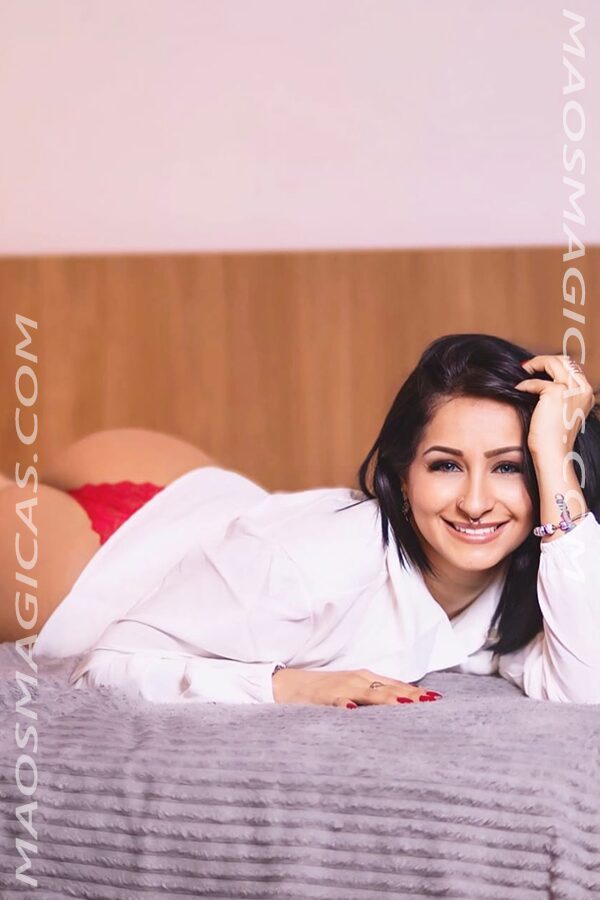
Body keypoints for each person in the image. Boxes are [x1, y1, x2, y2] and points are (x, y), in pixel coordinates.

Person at [5, 333, 600, 708]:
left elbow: (587, 684)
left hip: (203, 495)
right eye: (445, 465)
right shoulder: (315, 565)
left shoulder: (524, 577)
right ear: (402, 474)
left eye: (509, 468)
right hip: (90, 565)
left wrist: (554, 459)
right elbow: (109, 665)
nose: (475, 503)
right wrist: (287, 685)